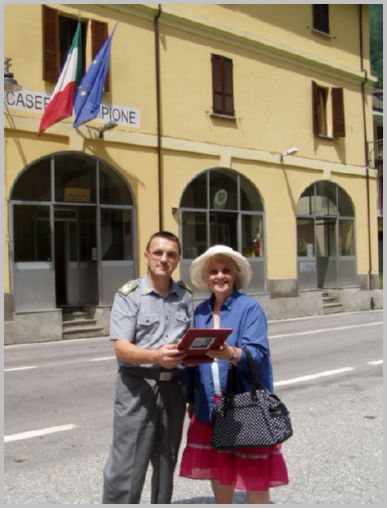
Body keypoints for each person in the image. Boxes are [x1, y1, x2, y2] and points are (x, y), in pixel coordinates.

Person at [179, 244, 289, 504]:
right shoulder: (201, 312)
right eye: (214, 271)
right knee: (219, 471)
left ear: (235, 275)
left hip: (244, 402)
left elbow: (259, 354)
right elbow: (194, 356)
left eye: (225, 270)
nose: (220, 276)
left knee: (254, 474)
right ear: (207, 278)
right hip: (209, 404)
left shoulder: (250, 308)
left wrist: (231, 353)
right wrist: (191, 399)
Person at [103, 231, 193, 504]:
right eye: (158, 252)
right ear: (146, 255)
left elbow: (189, 342)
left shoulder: (184, 295)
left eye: (171, 254)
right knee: (126, 467)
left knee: (166, 461)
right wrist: (155, 356)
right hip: (138, 387)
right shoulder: (129, 295)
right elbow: (121, 347)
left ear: (177, 260)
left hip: (174, 388)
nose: (164, 259)